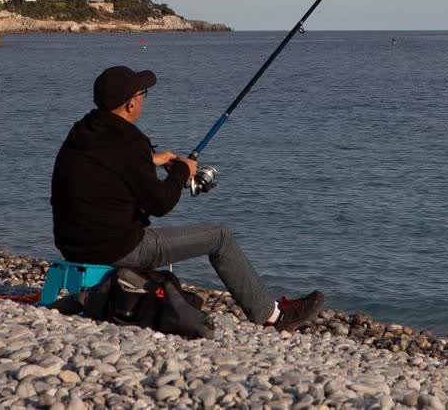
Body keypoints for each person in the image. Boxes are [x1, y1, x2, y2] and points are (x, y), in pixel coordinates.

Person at [52, 65, 324, 330]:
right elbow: (160, 204)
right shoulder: (129, 142)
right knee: (219, 237)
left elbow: (106, 164)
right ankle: (272, 315)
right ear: (129, 105)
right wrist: (182, 170)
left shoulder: (83, 131)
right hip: (117, 249)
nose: (143, 101)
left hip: (71, 244)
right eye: (141, 95)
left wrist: (150, 160)